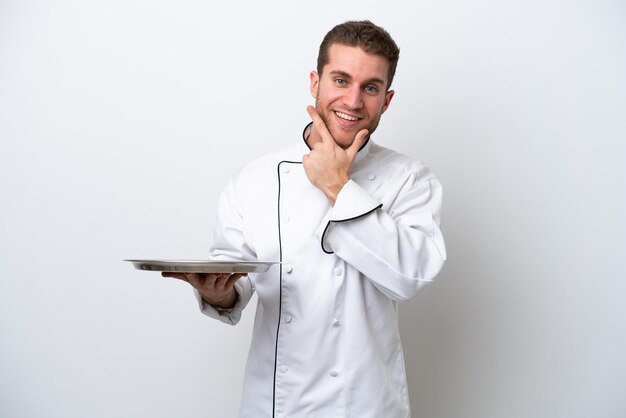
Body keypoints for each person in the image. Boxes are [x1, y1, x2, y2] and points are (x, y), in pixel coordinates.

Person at [163, 20, 446, 418]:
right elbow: (234, 282)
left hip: (364, 406)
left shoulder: (409, 179)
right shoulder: (255, 177)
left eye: (370, 87)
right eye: (341, 80)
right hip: (273, 406)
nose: (352, 101)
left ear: (387, 99)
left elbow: (411, 276)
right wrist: (217, 293)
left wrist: (336, 186)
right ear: (315, 81)